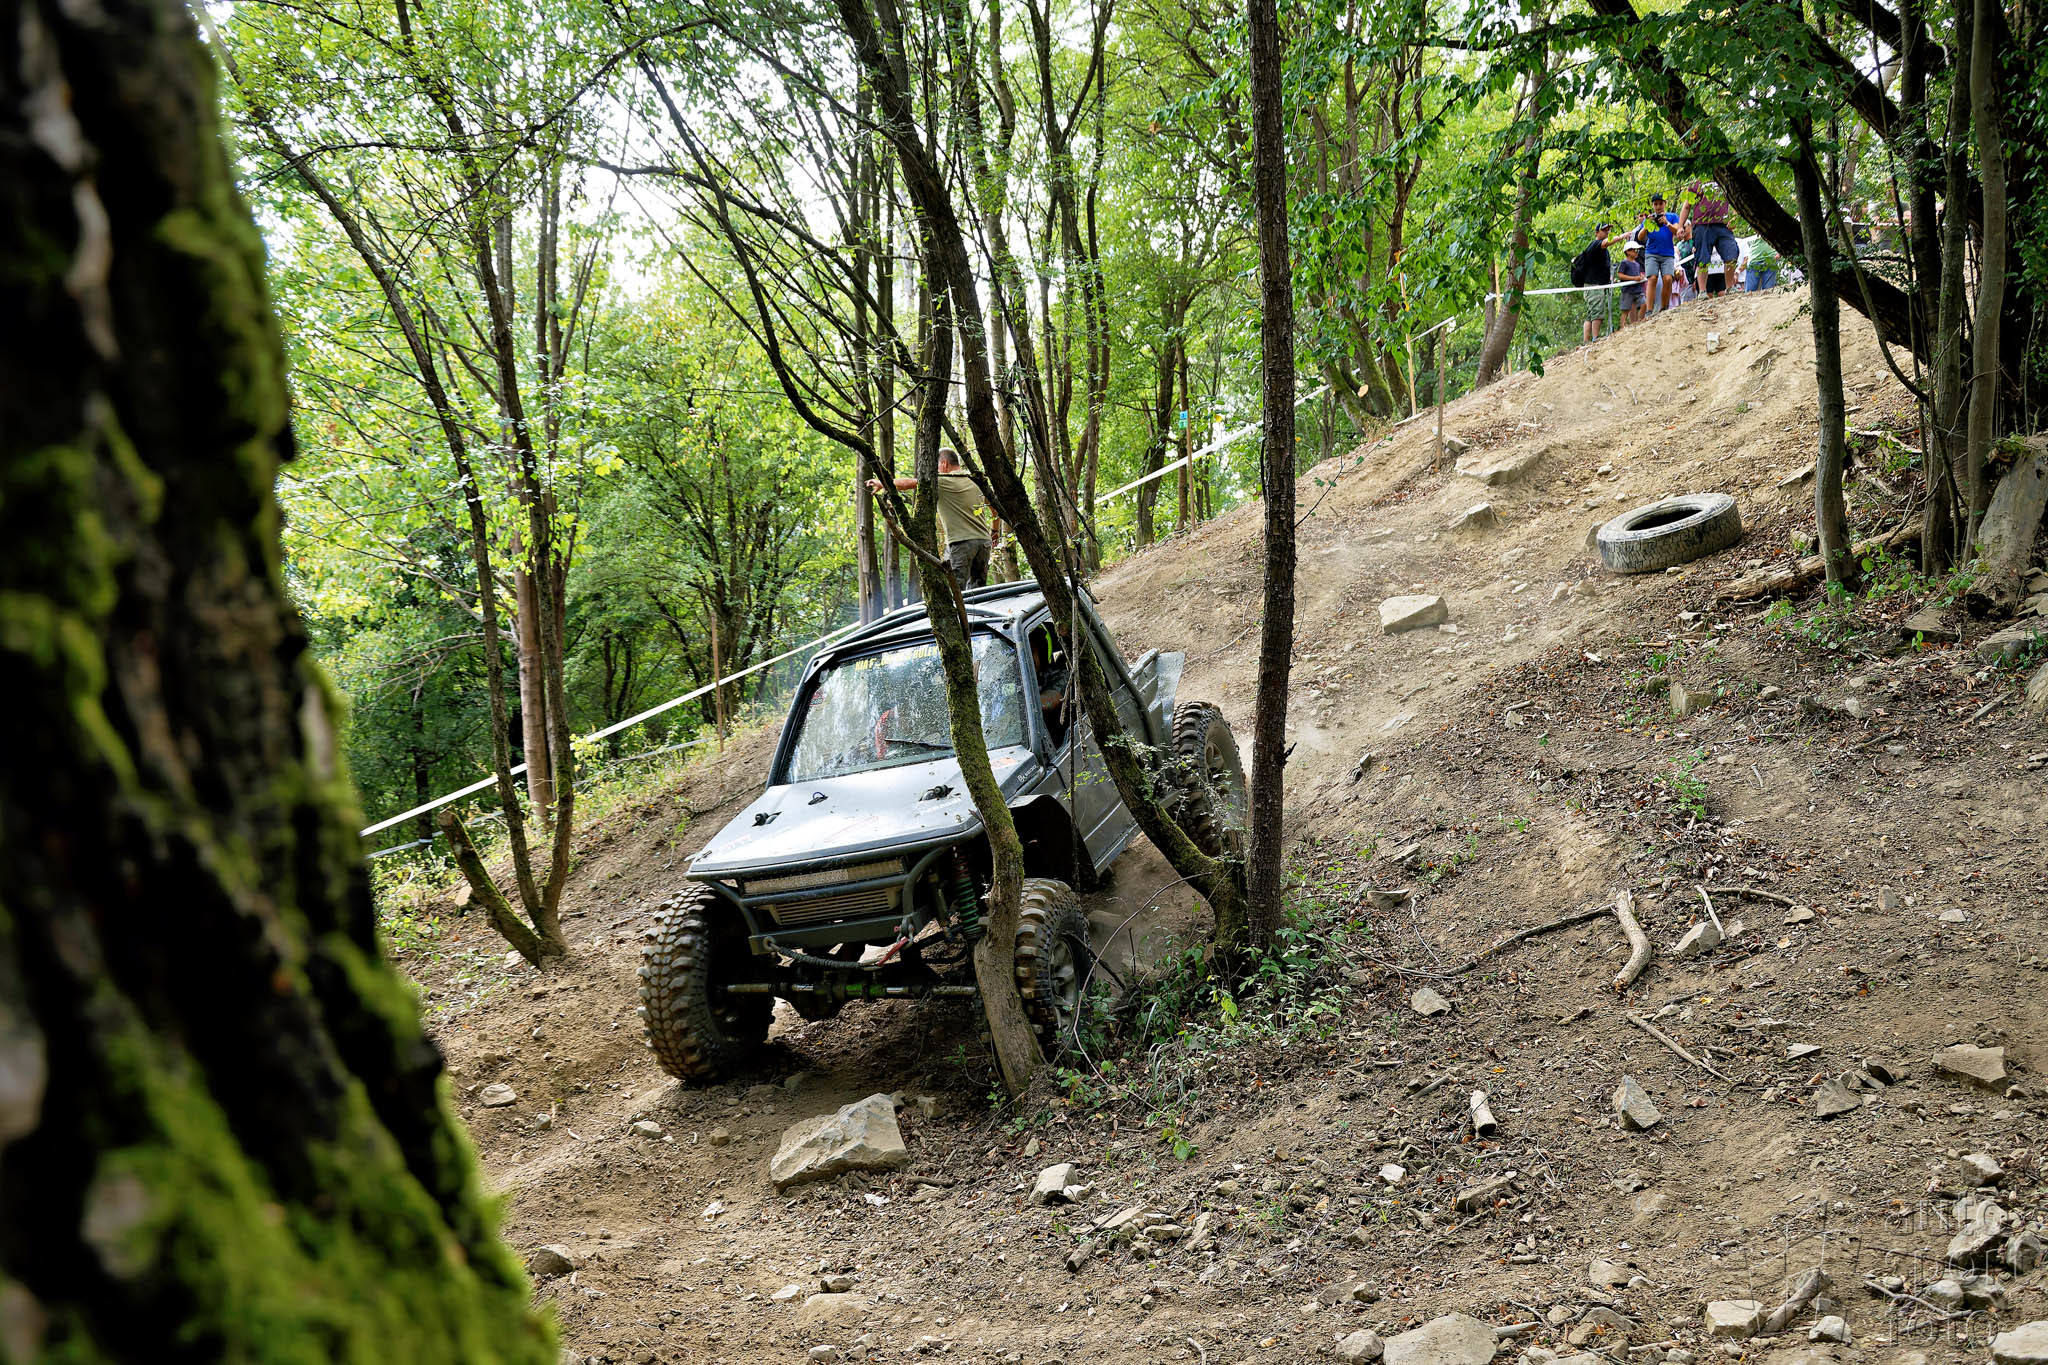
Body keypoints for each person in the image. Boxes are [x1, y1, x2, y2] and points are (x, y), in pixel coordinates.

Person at [870, 448, 993, 588]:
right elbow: (994, 508)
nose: (936, 470)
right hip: (984, 542)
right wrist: (994, 532)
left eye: (937, 465)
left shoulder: (943, 480)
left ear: (944, 464)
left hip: (961, 543)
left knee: (953, 589)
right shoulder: (976, 481)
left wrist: (882, 483)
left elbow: (909, 483)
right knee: (978, 591)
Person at [1681, 180, 1740, 298]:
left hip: (1723, 224)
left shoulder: (1724, 178)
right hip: (1701, 224)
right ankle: (1703, 292)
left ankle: (1730, 288)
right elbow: (1687, 206)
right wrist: (1679, 226)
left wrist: (1734, 218)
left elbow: (1735, 199)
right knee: (1702, 258)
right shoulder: (1696, 183)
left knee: (1731, 252)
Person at [1632, 192, 1682, 313]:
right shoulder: (1649, 219)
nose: (1658, 206)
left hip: (1667, 253)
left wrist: (1667, 223)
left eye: (1660, 203)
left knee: (1668, 279)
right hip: (1652, 253)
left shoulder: (1672, 216)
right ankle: (1649, 310)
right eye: (1655, 204)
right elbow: (1639, 237)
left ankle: (1664, 308)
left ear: (1665, 203)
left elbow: (1677, 231)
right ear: (1653, 205)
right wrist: (1647, 225)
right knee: (1652, 278)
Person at [1571, 222, 1614, 343]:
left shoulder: (1603, 250)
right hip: (1593, 285)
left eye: (1608, 230)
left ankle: (1586, 341)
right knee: (1597, 312)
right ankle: (1595, 339)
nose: (1607, 232)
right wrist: (1622, 236)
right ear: (1597, 232)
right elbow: (1607, 242)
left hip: (1594, 285)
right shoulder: (1595, 244)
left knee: (1590, 314)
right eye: (1604, 230)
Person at [1616, 240, 1647, 324]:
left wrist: (1641, 277)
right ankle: (1623, 327)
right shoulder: (1624, 263)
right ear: (1628, 252)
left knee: (1644, 304)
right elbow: (1620, 275)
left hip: (1638, 290)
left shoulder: (1637, 264)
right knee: (1625, 310)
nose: (1637, 252)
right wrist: (1633, 278)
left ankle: (1640, 321)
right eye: (1635, 250)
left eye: (1638, 250)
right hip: (1627, 291)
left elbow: (1637, 274)